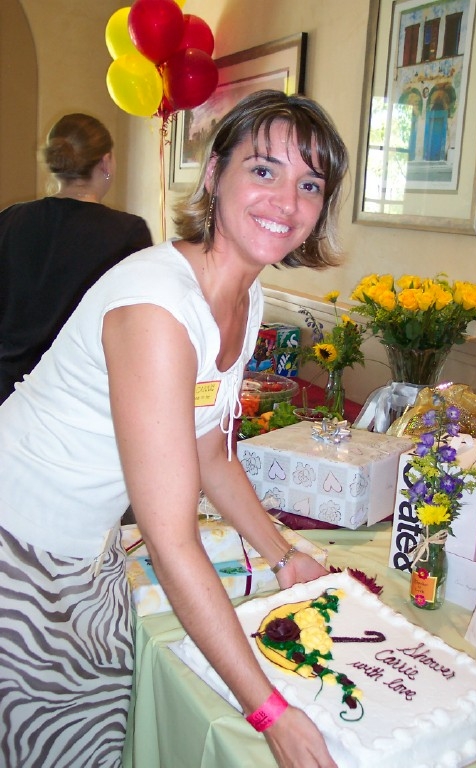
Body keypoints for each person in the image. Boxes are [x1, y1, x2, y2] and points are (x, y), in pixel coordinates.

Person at [0, 90, 348, 768]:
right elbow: (171, 538)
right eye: (264, 170)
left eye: (310, 183)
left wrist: (284, 555)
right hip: (16, 543)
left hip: (86, 546)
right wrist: (270, 712)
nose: (286, 199)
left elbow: (211, 455)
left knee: (103, 729)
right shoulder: (158, 303)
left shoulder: (244, 298)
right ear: (216, 175)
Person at [0, 112, 153, 404]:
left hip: (9, 394)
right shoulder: (127, 232)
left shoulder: (9, 220)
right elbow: (135, 330)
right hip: (80, 399)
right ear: (106, 162)